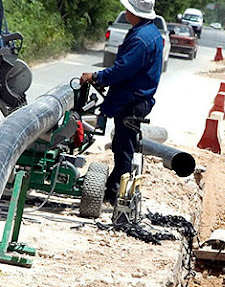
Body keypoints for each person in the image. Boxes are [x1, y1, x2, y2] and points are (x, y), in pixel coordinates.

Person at [81, 0, 163, 204]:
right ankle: (115, 189)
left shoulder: (141, 39)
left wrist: (97, 76)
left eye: (128, 9)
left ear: (134, 12)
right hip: (135, 99)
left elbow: (123, 69)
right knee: (123, 145)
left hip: (131, 100)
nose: (125, 12)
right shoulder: (148, 33)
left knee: (123, 148)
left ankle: (117, 194)